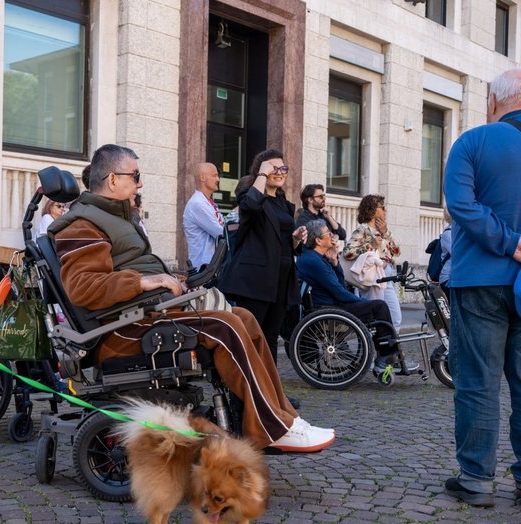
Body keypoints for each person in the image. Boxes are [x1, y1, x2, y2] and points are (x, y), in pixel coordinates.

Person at [50, 143, 335, 453]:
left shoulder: (113, 216)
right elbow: (83, 286)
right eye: (135, 175)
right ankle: (271, 427)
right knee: (225, 327)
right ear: (112, 179)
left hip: (141, 314)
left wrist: (172, 280)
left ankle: (284, 418)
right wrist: (145, 281)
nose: (140, 182)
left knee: (243, 318)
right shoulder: (83, 224)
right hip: (121, 329)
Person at [441, 68, 521, 507]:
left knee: (477, 382)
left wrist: (510, 244)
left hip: (479, 280)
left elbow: (461, 206)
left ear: (494, 100)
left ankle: (476, 478)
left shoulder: (473, 141)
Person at [217, 150, 306, 367]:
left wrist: (295, 240)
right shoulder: (252, 195)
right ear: (261, 171)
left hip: (280, 280)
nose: (279, 172)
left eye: (282, 168)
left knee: (270, 338)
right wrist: (262, 176)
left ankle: (271, 393)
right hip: (255, 280)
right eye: (272, 168)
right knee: (251, 337)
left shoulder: (283, 202)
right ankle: (247, 391)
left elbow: (280, 241)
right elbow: (249, 206)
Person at [296, 220, 418, 373]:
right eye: (328, 234)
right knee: (378, 306)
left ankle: (386, 354)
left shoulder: (319, 258)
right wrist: (364, 301)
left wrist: (334, 263)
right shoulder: (313, 261)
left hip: (331, 305)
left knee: (377, 306)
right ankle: (386, 356)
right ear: (319, 240)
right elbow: (339, 292)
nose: (333, 237)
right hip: (328, 309)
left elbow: (339, 285)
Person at [342, 195, 402, 331]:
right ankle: (374, 348)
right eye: (383, 208)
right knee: (374, 317)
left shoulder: (383, 230)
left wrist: (386, 233)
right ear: (372, 210)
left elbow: (397, 251)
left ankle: (391, 347)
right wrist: (371, 245)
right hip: (372, 276)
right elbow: (348, 252)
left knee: (395, 317)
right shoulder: (362, 230)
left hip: (387, 275)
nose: (385, 211)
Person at [183, 162, 224, 268]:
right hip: (204, 268)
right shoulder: (198, 204)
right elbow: (220, 232)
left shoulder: (208, 202)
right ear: (202, 177)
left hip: (211, 266)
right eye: (214, 175)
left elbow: (222, 226)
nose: (218, 179)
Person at [438, 208, 453, 297]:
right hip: (448, 278)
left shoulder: (457, 232)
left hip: (456, 277)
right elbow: (458, 254)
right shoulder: (448, 234)